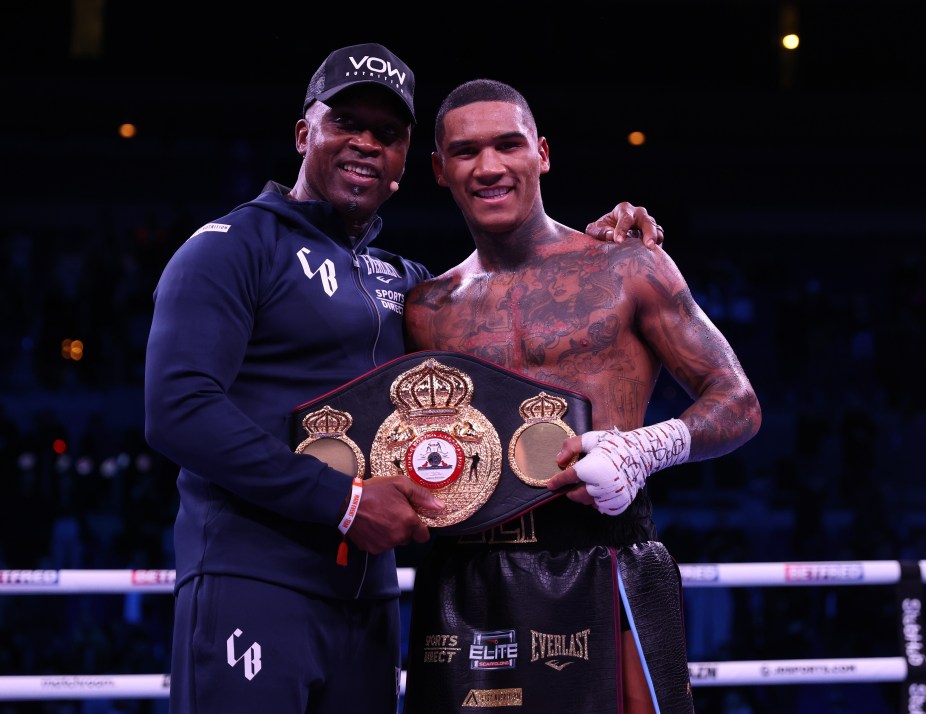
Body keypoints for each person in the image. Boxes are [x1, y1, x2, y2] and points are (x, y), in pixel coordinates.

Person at [144, 44, 666, 714]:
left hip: (369, 597)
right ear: (305, 134)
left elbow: (511, 319)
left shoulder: (409, 284)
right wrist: (345, 502)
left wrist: (593, 250)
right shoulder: (230, 246)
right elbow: (177, 410)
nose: (365, 144)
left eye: (385, 134)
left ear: (404, 165)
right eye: (345, 124)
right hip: (255, 577)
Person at [401, 79, 762, 713]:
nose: (489, 167)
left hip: (605, 561)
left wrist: (645, 449)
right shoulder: (425, 308)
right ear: (438, 169)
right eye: (465, 152)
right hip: (464, 580)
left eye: (508, 145)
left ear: (541, 153)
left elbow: (737, 401)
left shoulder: (626, 267)